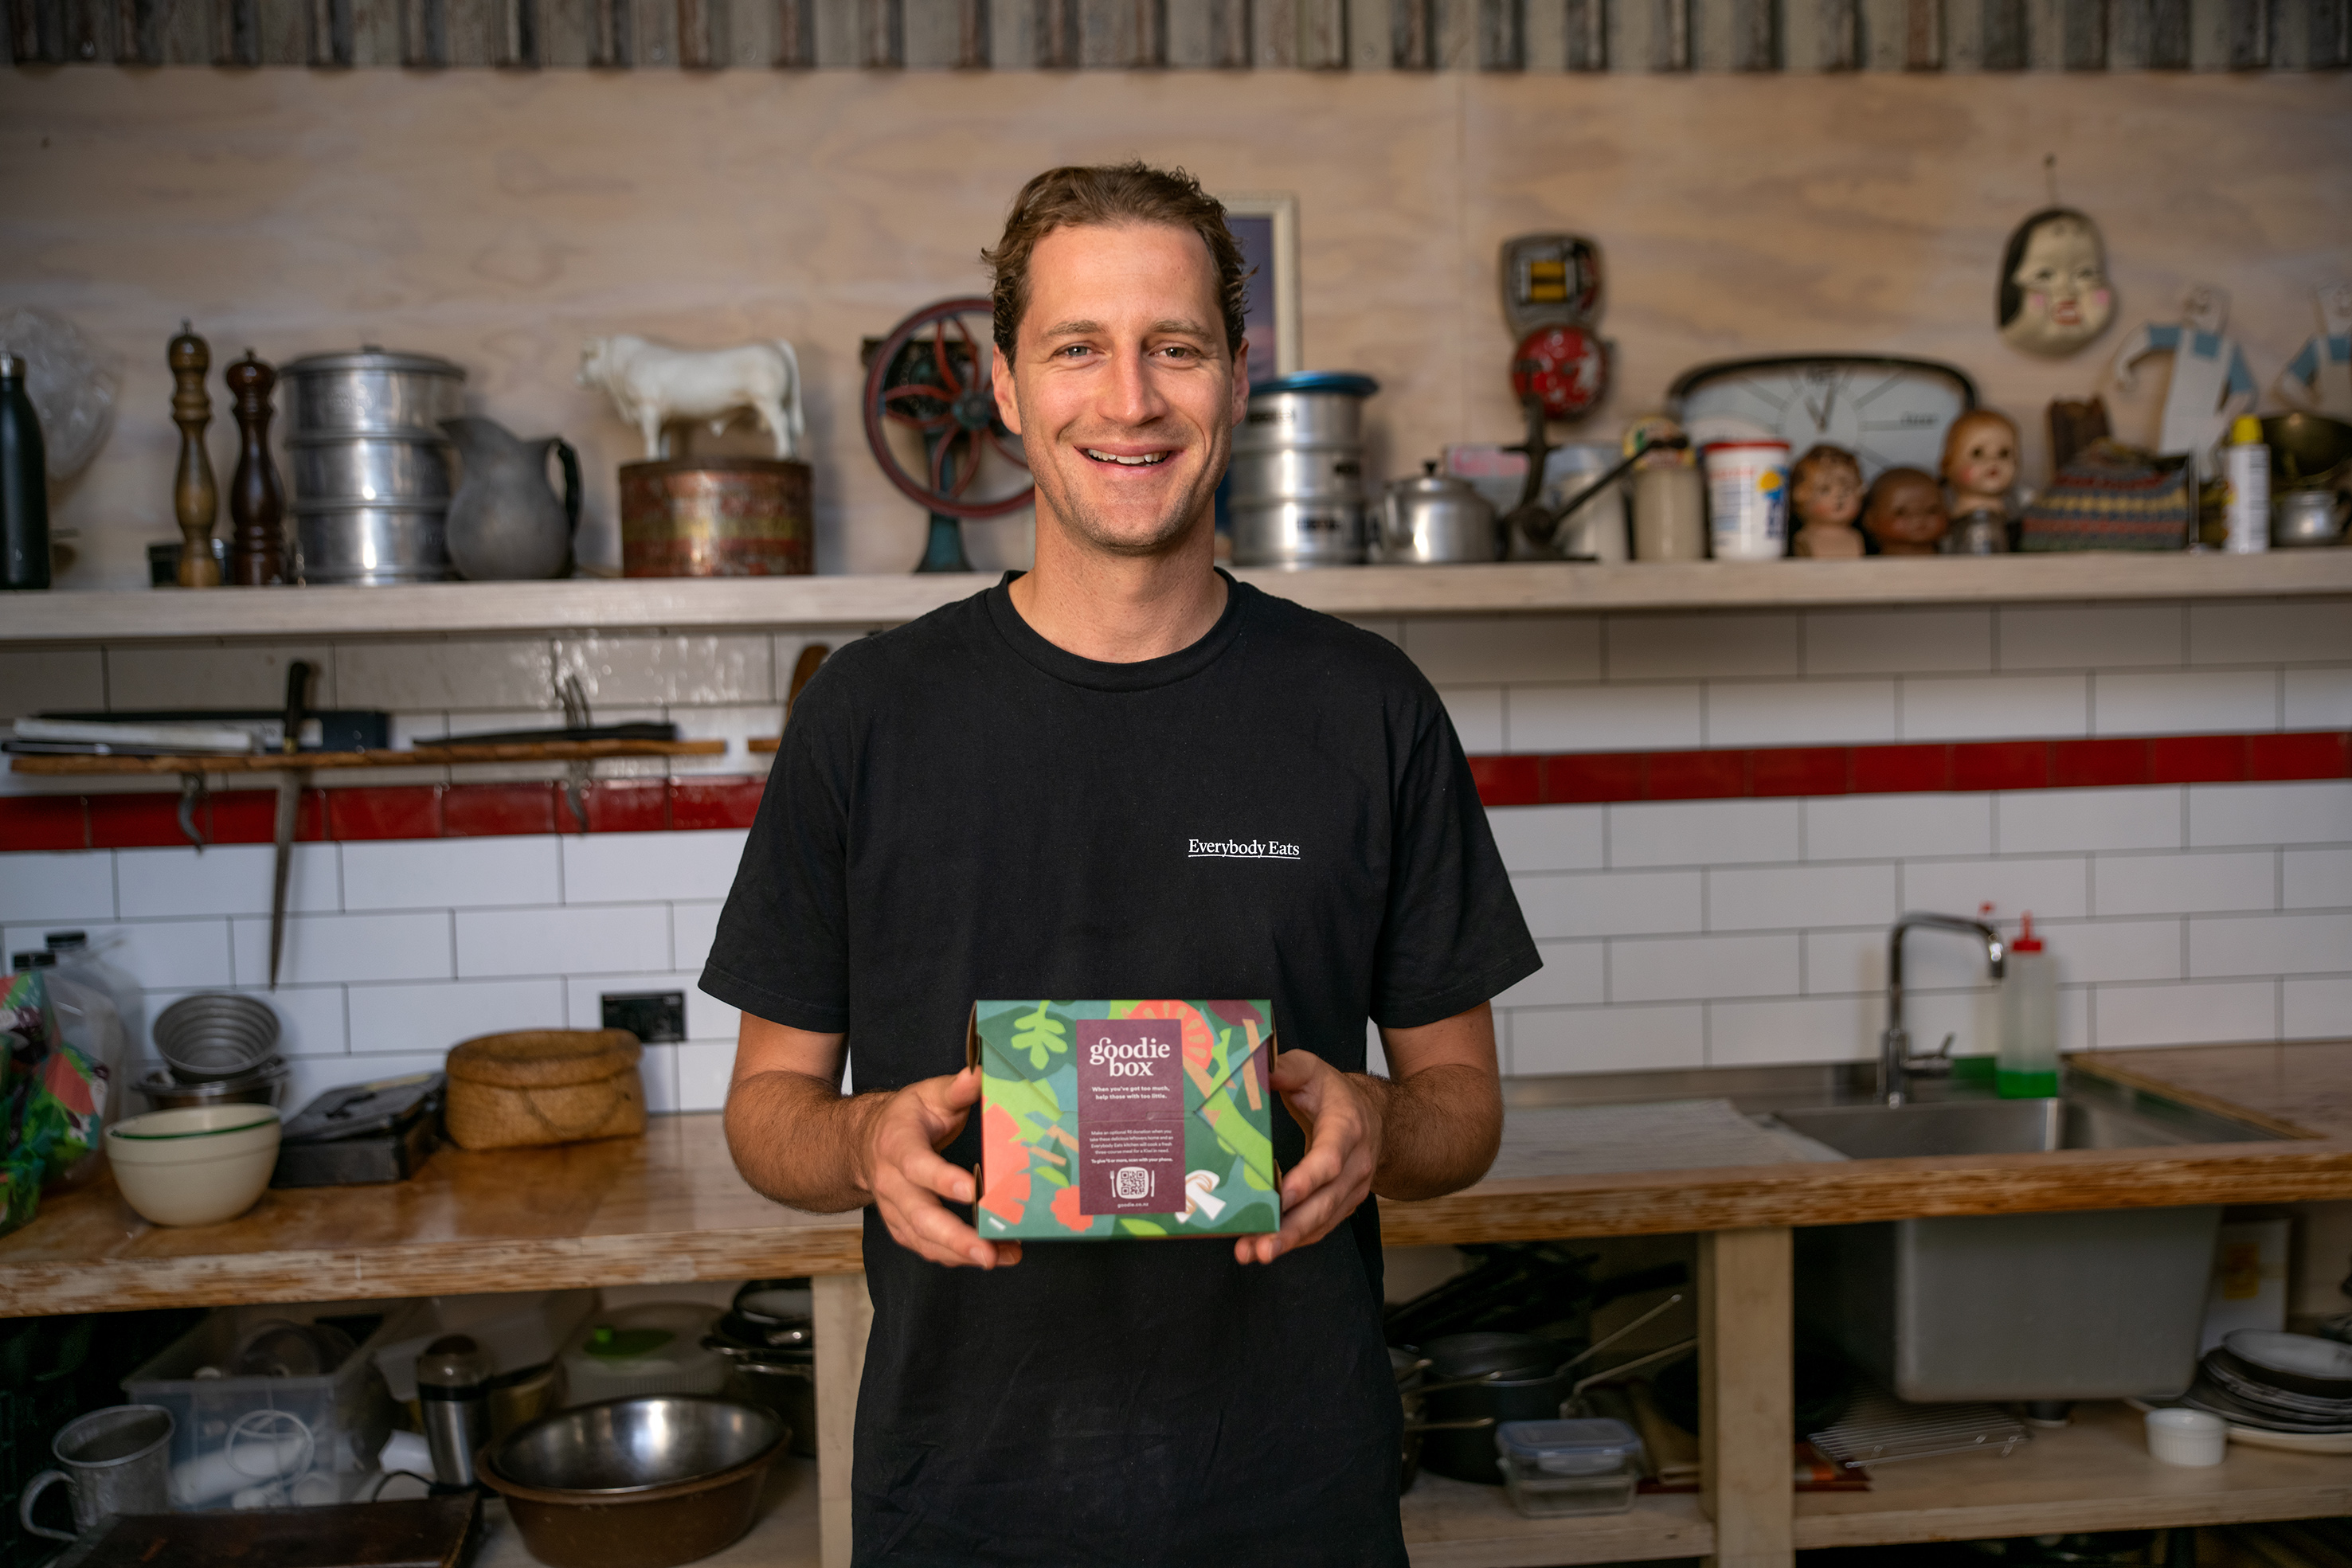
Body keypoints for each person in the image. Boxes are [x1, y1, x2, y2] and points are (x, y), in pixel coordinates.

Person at [701, 161, 1540, 1566]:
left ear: (1236, 377)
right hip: (958, 1504)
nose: (1131, 398)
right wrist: (858, 1140)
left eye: (1176, 347)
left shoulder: (1367, 708)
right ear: (1008, 386)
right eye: (1078, 346)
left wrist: (1382, 1123)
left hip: (1297, 1503)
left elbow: (1465, 1109)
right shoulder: (868, 715)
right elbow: (764, 1111)